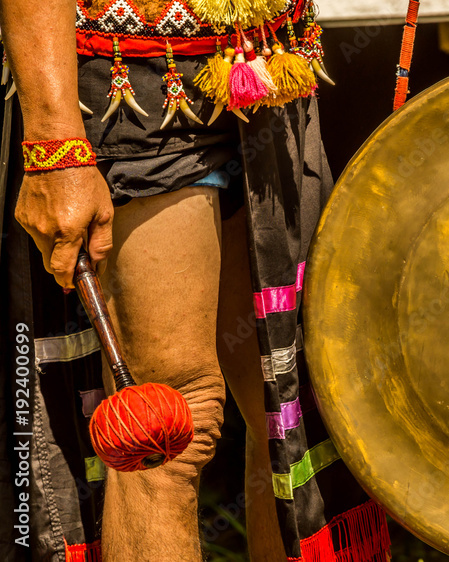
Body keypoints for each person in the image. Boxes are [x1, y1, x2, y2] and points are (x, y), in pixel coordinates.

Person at [0, 0, 389, 559]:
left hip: (268, 65)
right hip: (134, 89)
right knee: (170, 427)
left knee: (289, 398)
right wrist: (54, 142)